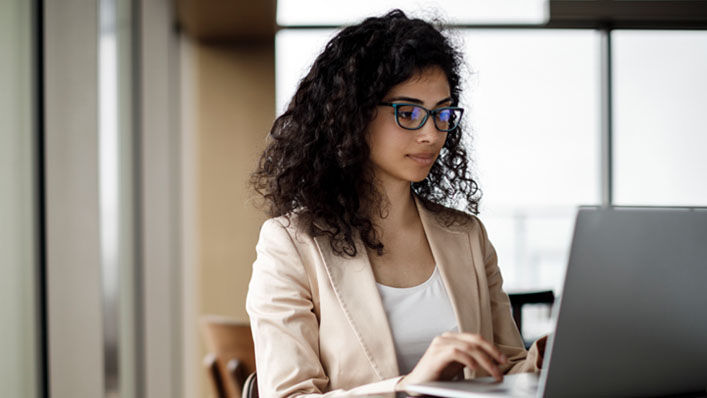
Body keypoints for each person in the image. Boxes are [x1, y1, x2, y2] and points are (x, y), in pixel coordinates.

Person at [247, 10, 545, 397]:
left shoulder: (467, 236)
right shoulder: (290, 245)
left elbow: (506, 367)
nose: (431, 134)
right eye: (409, 113)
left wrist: (547, 355)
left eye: (442, 113)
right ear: (352, 115)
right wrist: (409, 387)